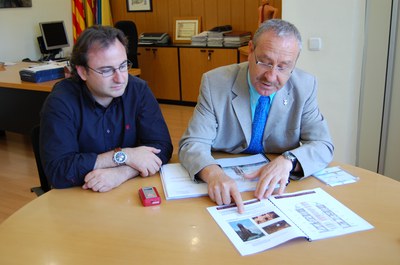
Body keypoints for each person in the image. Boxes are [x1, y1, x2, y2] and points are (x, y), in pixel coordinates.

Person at [179, 19, 334, 213]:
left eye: (283, 67)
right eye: (264, 62)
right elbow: (192, 143)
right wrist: (212, 173)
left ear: (294, 64)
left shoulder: (305, 86)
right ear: (250, 50)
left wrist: (289, 161)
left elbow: (323, 144)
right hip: (226, 187)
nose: (271, 76)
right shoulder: (215, 82)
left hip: (275, 192)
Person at [40, 25, 173, 192]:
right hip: (80, 196)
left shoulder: (138, 90)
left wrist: (122, 173)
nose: (120, 78)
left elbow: (162, 147)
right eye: (107, 70)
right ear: (82, 72)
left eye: (123, 65)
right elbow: (58, 171)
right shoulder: (60, 102)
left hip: (128, 191)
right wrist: (126, 156)